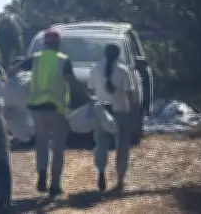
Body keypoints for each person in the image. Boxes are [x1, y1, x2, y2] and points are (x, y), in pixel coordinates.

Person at [19, 28, 89, 198]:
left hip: (36, 107)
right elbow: (73, 82)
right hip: (56, 108)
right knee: (58, 147)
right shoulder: (63, 60)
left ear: (45, 43)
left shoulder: (35, 58)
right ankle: (55, 185)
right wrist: (88, 97)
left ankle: (42, 171)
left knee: (41, 143)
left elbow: (15, 70)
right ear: (58, 43)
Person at [89, 42, 134, 192]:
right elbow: (129, 94)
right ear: (118, 54)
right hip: (120, 110)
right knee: (122, 146)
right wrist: (133, 113)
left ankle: (101, 172)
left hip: (102, 110)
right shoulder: (123, 70)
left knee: (101, 143)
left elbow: (91, 90)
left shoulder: (95, 68)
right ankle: (120, 180)